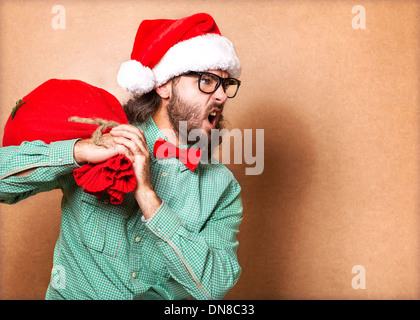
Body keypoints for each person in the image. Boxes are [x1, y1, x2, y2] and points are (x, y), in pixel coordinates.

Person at [0, 12, 243, 300]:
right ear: (163, 85)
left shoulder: (223, 187)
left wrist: (148, 198)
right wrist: (77, 151)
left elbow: (214, 285)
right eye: (207, 81)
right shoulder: (103, 134)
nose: (221, 96)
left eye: (225, 85)